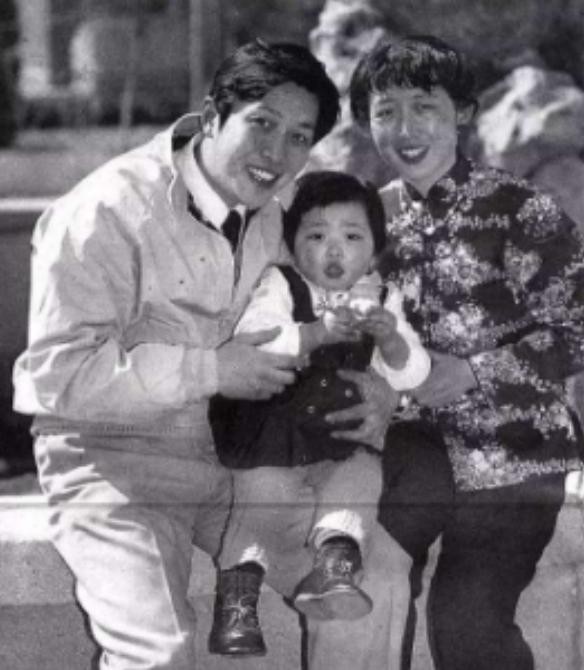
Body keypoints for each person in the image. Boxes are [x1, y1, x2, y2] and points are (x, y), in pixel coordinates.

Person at [12, 39, 410, 670]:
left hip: (248, 460)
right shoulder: (103, 211)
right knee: (158, 652)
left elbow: (344, 309)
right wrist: (210, 369)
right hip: (115, 464)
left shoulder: (284, 218)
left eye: (298, 137)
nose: (276, 153)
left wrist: (385, 392)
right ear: (213, 115)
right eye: (262, 124)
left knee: (376, 580)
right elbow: (58, 377)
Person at [349, 34, 584, 670]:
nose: (405, 129)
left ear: (462, 113)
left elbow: (576, 328)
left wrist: (477, 372)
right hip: (408, 453)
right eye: (386, 111)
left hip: (516, 456)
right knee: (363, 588)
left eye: (424, 106)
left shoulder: (520, 210)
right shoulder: (364, 221)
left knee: (467, 619)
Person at [207, 170, 430, 656]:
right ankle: (238, 601)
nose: (333, 250)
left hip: (340, 441)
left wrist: (392, 339)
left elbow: (412, 372)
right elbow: (257, 337)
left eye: (351, 237)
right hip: (274, 436)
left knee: (362, 478)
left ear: (374, 250)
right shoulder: (282, 285)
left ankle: (336, 561)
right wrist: (315, 333)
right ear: (292, 246)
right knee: (260, 504)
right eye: (316, 236)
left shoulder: (384, 299)